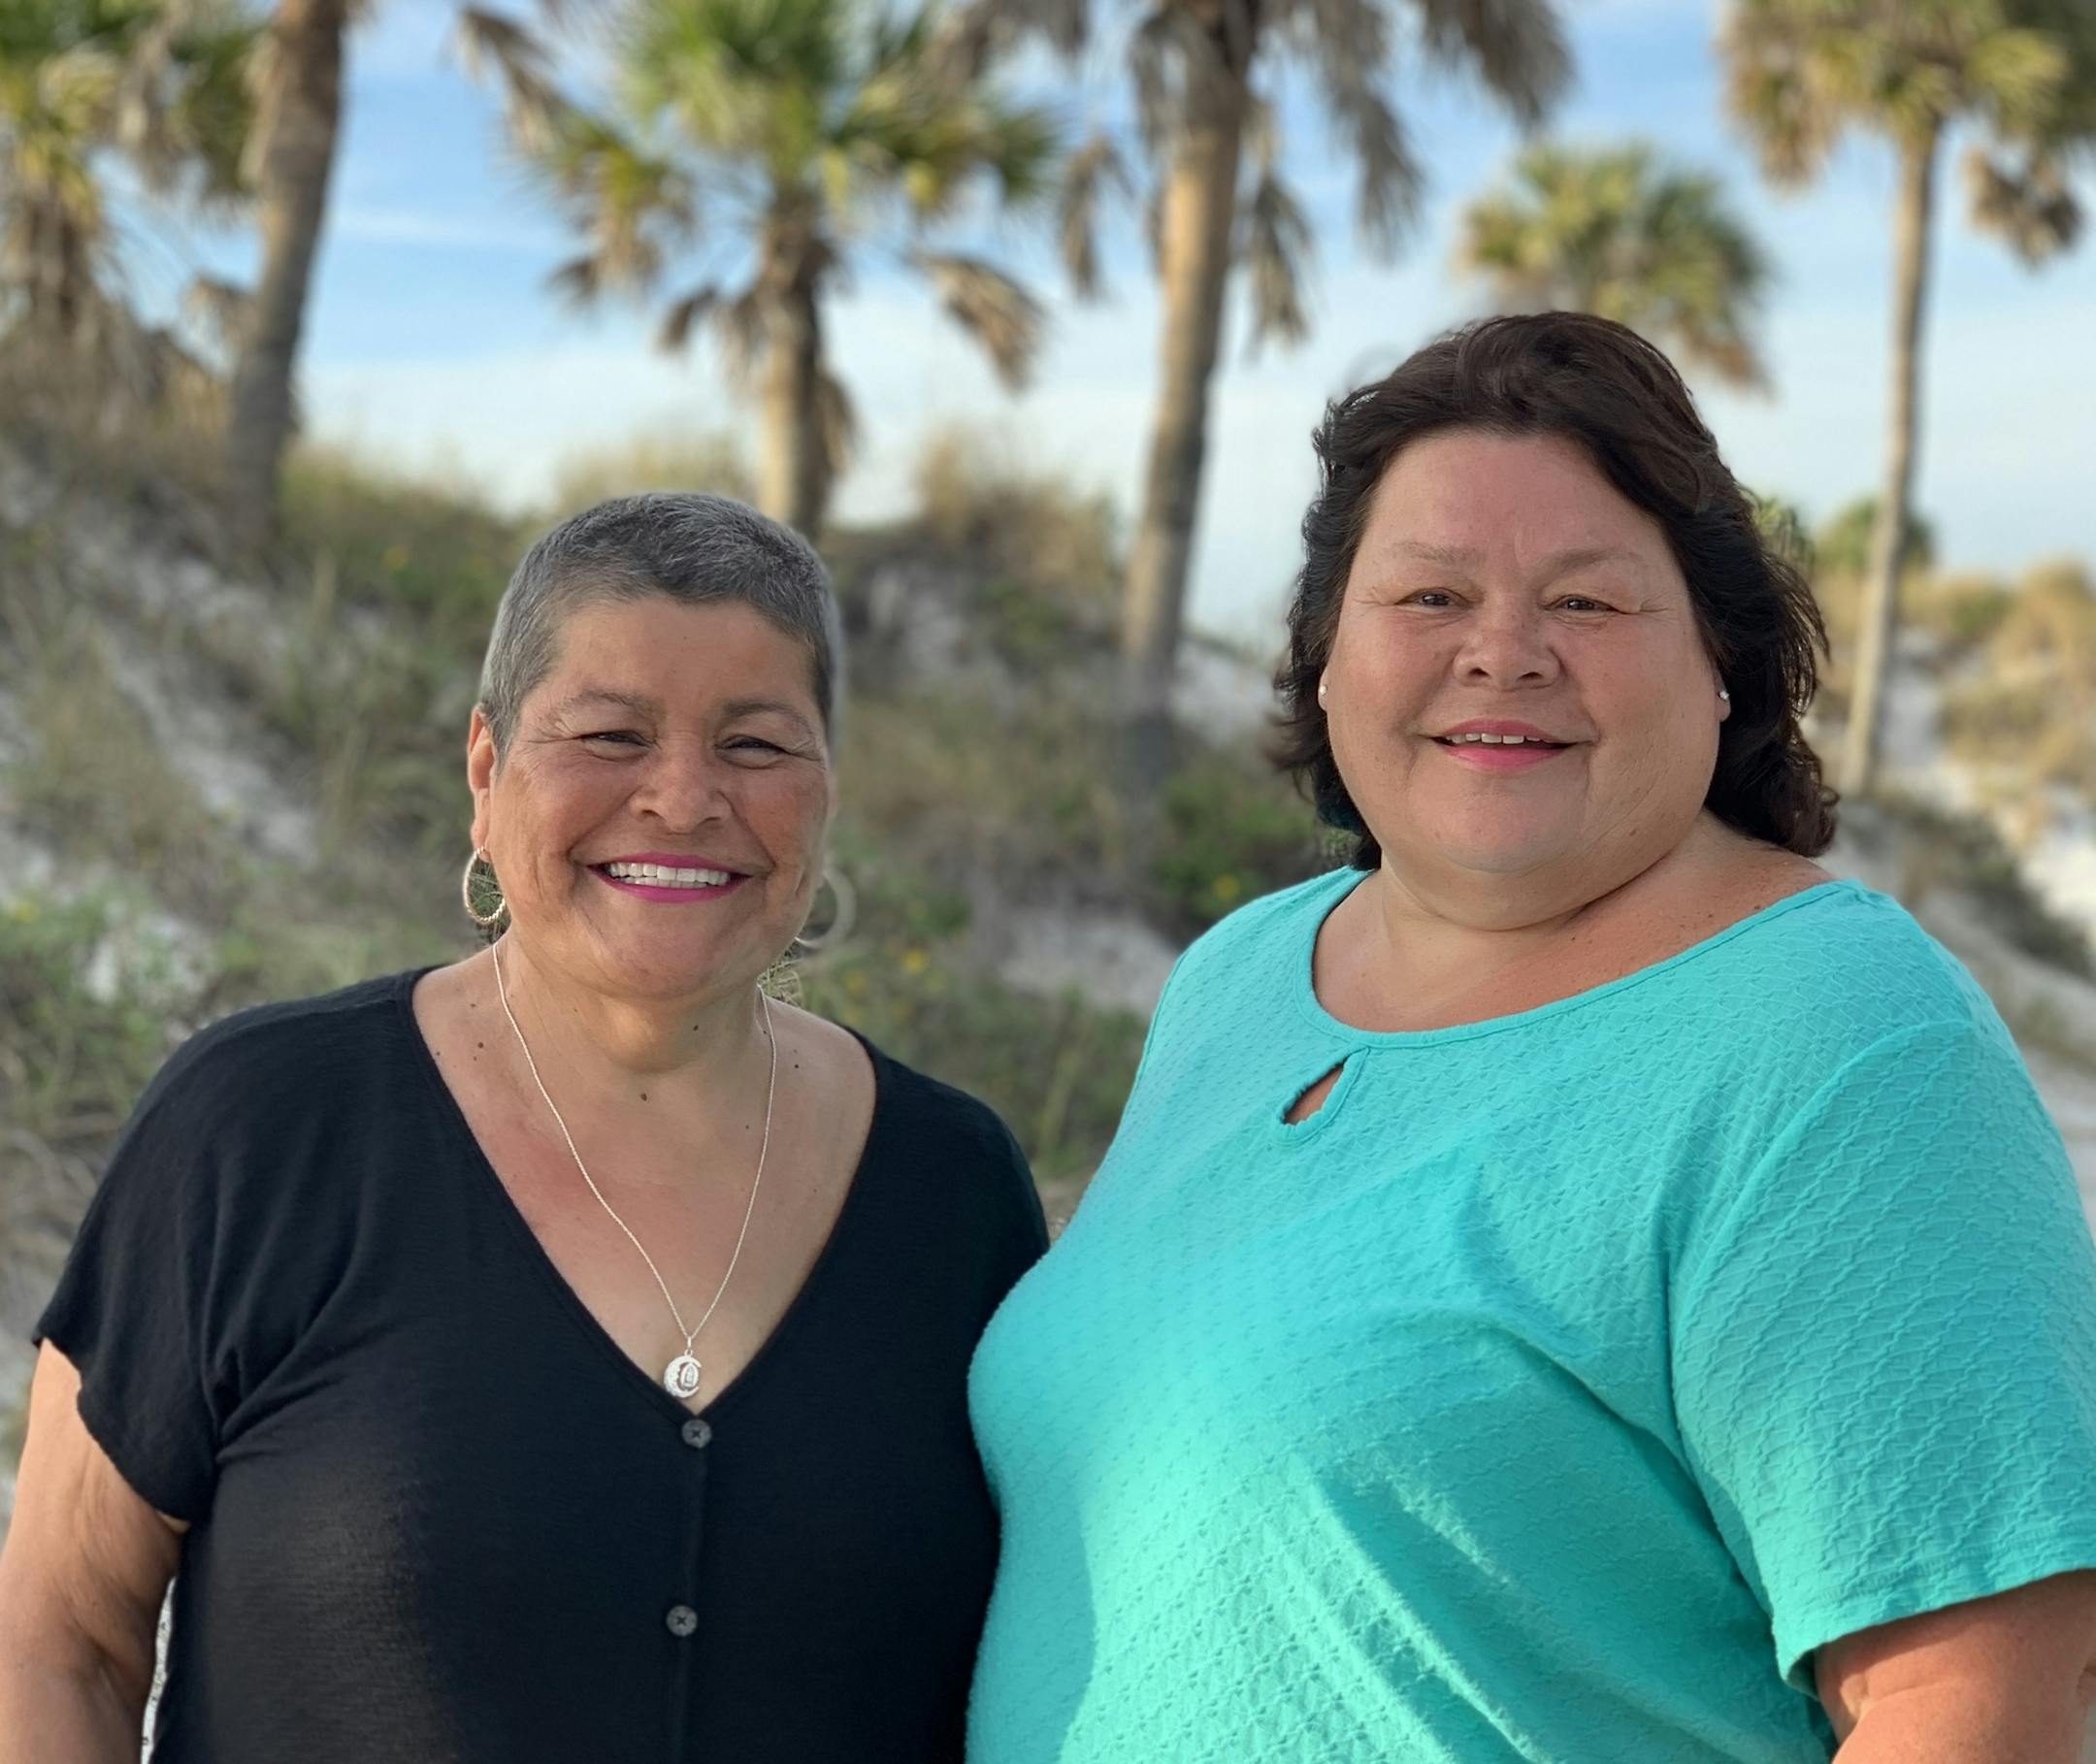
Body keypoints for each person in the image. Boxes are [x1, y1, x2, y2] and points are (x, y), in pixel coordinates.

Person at [967, 313, 2096, 1761]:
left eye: (1587, 603)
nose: (1502, 655)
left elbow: (1980, 1699)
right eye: (1430, 595)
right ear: (1324, 657)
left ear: (1726, 668)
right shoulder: (1238, 977)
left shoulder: (1839, 1042)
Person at [0, 493, 1047, 1764]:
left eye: (757, 745)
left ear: (828, 792)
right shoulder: (260, 1134)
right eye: (609, 732)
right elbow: (59, 1640)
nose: (681, 797)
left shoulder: (958, 1192)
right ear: (487, 773)